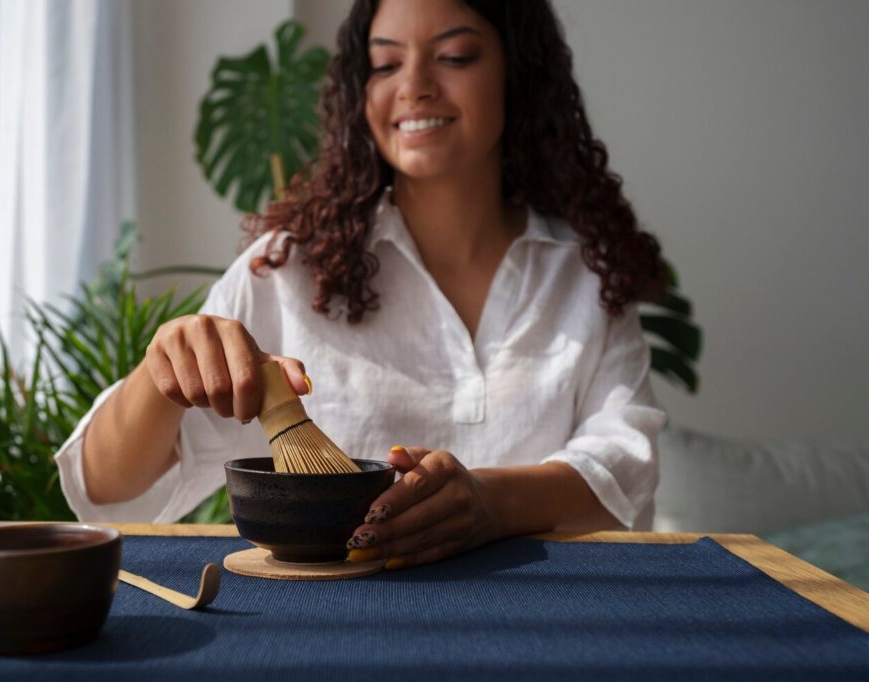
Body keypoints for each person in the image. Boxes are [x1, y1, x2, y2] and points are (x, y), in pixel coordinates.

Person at [55, 0, 668, 570]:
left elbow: (623, 469)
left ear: (518, 72)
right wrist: (160, 378)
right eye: (384, 63)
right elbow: (104, 493)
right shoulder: (288, 270)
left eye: (455, 56)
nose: (415, 85)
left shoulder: (583, 273)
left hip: (541, 625)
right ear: (359, 88)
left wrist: (491, 500)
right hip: (328, 629)